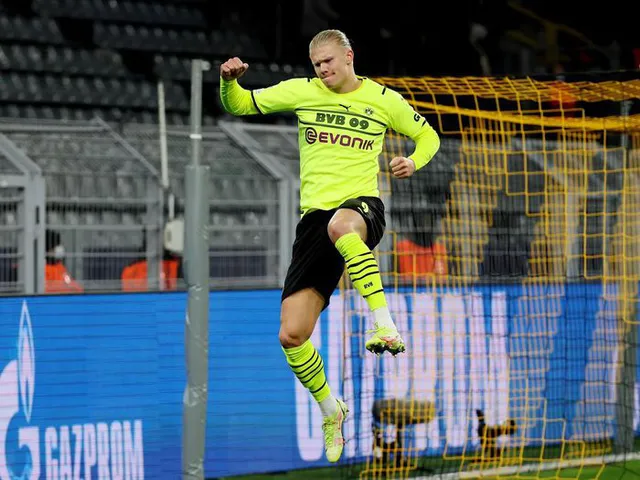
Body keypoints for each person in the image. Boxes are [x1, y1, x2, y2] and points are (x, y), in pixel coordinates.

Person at [219, 29, 440, 463]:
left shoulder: (383, 99)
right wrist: (230, 82)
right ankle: (330, 408)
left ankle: (384, 323)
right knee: (291, 334)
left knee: (343, 225)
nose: (323, 69)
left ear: (348, 56)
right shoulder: (302, 91)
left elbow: (428, 136)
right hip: (313, 222)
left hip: (361, 209)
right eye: (317, 63)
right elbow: (241, 104)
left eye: (329, 61)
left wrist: (413, 160)